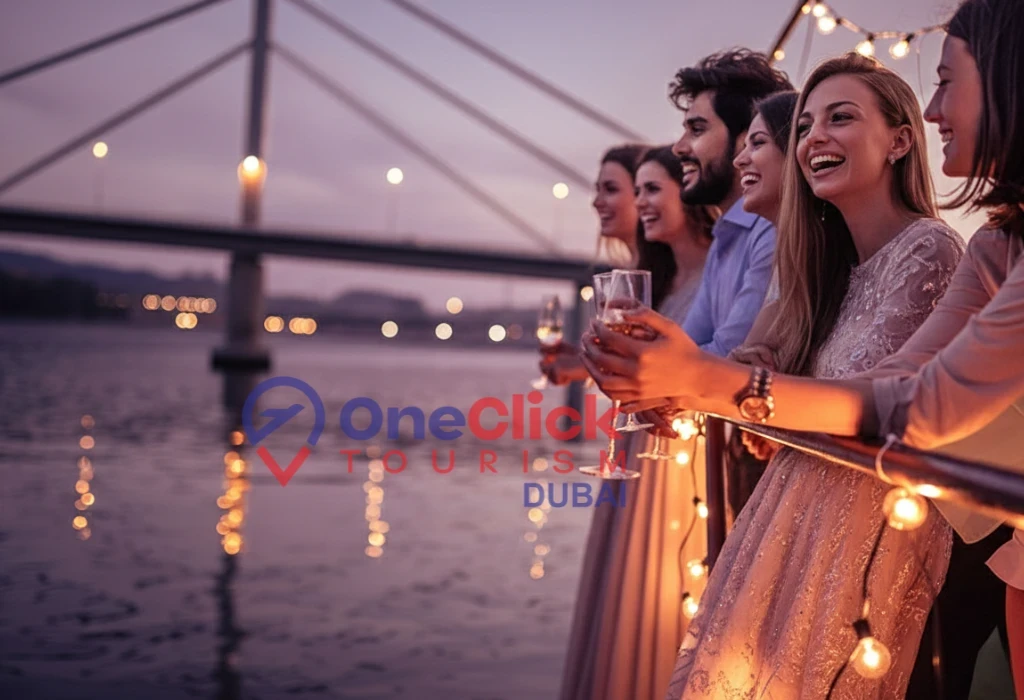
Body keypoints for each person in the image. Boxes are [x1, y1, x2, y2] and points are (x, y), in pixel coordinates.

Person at [581, 1, 1024, 695]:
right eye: (806, 124)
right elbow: (869, 384)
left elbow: (915, 403)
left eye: (946, 81)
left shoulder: (934, 249)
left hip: (889, 539)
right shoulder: (957, 249)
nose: (938, 108)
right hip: (815, 526)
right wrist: (698, 383)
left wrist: (709, 385)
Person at [560, 146, 717, 700]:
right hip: (635, 455)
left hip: (678, 463)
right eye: (639, 190)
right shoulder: (662, 279)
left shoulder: (716, 271)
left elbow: (706, 367)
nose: (640, 202)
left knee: (657, 598)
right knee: (620, 596)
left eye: (650, 189)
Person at [671, 49, 792, 358]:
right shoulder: (725, 234)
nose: (679, 147)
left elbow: (729, 356)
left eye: (697, 130)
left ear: (746, 138)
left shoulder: (774, 231)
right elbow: (688, 348)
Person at [540, 144, 677, 385]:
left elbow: (667, 365)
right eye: (597, 190)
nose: (596, 202)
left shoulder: (672, 276)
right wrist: (585, 361)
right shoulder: (634, 275)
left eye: (610, 190)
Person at [724, 90, 799, 519]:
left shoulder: (774, 245)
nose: (740, 160)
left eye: (757, 143)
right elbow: (742, 362)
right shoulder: (788, 259)